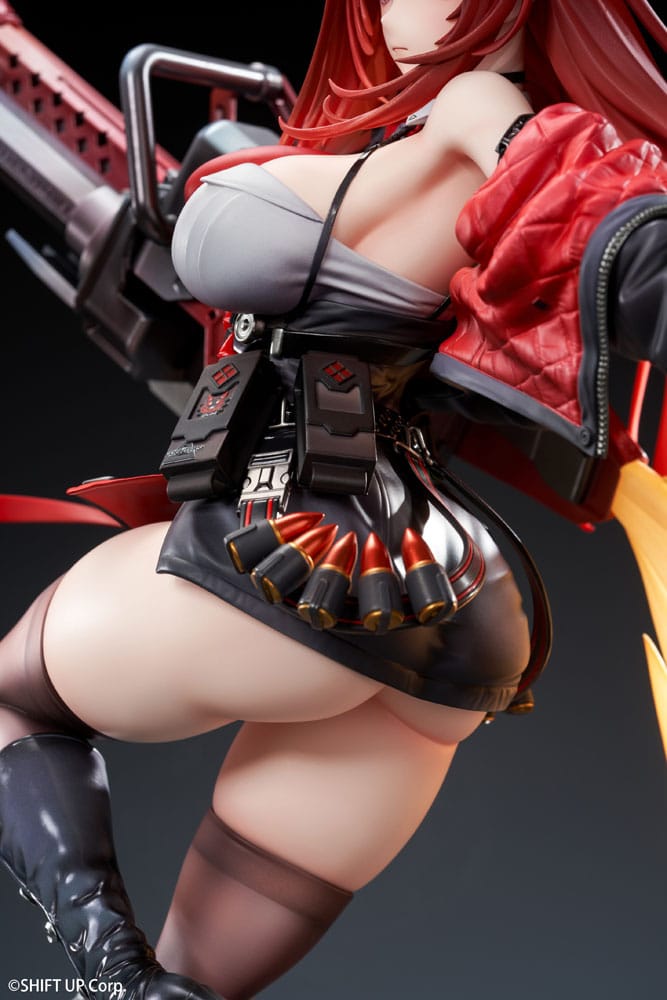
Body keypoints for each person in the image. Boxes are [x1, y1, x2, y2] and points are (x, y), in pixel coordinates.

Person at [0, 2, 666, 999]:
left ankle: (109, 975)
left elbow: (595, 209)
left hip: (316, 553)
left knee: (11, 700)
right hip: (449, 616)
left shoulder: (477, 107)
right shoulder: (401, 134)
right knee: (195, 983)